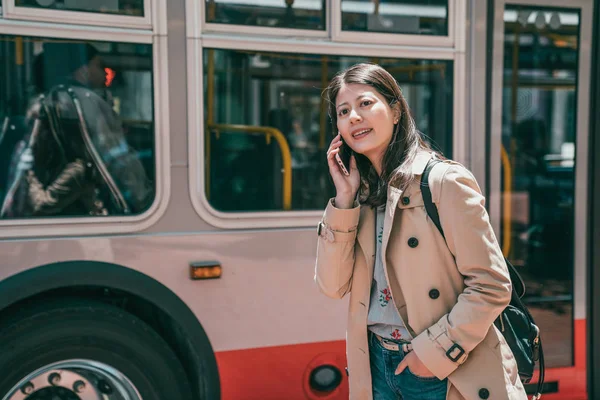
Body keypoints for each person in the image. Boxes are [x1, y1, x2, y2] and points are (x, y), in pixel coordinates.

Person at [314, 63, 527, 400]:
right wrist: (343, 200)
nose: (354, 116)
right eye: (344, 111)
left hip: (441, 371)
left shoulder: (442, 181)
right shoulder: (364, 197)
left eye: (366, 104)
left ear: (396, 110)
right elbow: (331, 285)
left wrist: (430, 357)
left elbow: (492, 285)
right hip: (376, 366)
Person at [1, 42, 152, 218]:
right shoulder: (85, 101)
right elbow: (114, 155)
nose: (105, 72)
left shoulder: (40, 101)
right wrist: (142, 199)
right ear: (82, 69)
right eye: (99, 65)